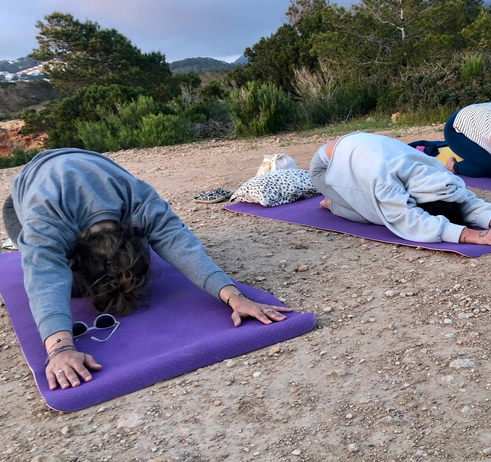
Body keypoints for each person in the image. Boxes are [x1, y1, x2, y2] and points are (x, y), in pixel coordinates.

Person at [3, 148, 292, 391]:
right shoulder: (46, 220)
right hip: (23, 194)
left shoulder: (137, 199)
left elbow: (178, 242)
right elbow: (44, 277)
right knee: (70, 288)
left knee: (131, 264)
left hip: (89, 166)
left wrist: (234, 296)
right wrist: (60, 348)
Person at [309, 132, 491, 245]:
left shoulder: (436, 173)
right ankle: (334, 202)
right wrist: (473, 235)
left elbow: (464, 200)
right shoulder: (385, 180)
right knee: (380, 215)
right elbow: (407, 220)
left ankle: (342, 197)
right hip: (325, 167)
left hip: (360, 150)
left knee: (384, 204)